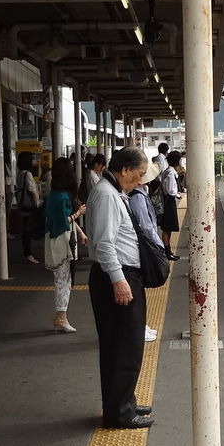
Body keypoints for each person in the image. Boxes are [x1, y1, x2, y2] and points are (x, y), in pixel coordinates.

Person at [87, 147, 154, 429]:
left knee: (127, 343)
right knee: (123, 346)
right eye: (139, 174)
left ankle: (124, 401)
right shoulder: (106, 195)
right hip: (116, 277)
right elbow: (104, 244)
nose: (140, 180)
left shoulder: (112, 192)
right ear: (124, 169)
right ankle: (119, 413)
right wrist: (119, 280)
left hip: (121, 276)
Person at [45, 158, 87, 332]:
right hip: (63, 241)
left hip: (55, 241)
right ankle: (61, 317)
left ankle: (61, 317)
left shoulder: (53, 195)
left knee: (61, 278)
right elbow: (64, 221)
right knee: (63, 280)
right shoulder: (63, 197)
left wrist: (80, 233)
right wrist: (79, 213)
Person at [130, 159, 168, 343]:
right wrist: (158, 244)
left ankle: (141, 326)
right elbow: (145, 225)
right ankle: (138, 328)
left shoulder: (139, 193)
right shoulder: (137, 196)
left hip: (142, 245)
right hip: (143, 246)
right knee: (137, 290)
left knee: (139, 290)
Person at [15, 151, 42, 265]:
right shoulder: (28, 174)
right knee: (28, 229)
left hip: (22, 204)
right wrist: (38, 203)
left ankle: (27, 252)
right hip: (29, 205)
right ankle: (28, 253)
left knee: (26, 228)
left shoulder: (20, 173)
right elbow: (32, 190)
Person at [158, 150, 182, 261]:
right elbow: (171, 190)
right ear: (178, 161)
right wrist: (178, 195)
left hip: (166, 201)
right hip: (169, 202)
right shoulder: (171, 173)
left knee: (167, 228)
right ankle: (168, 253)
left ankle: (168, 251)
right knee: (167, 229)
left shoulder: (167, 171)